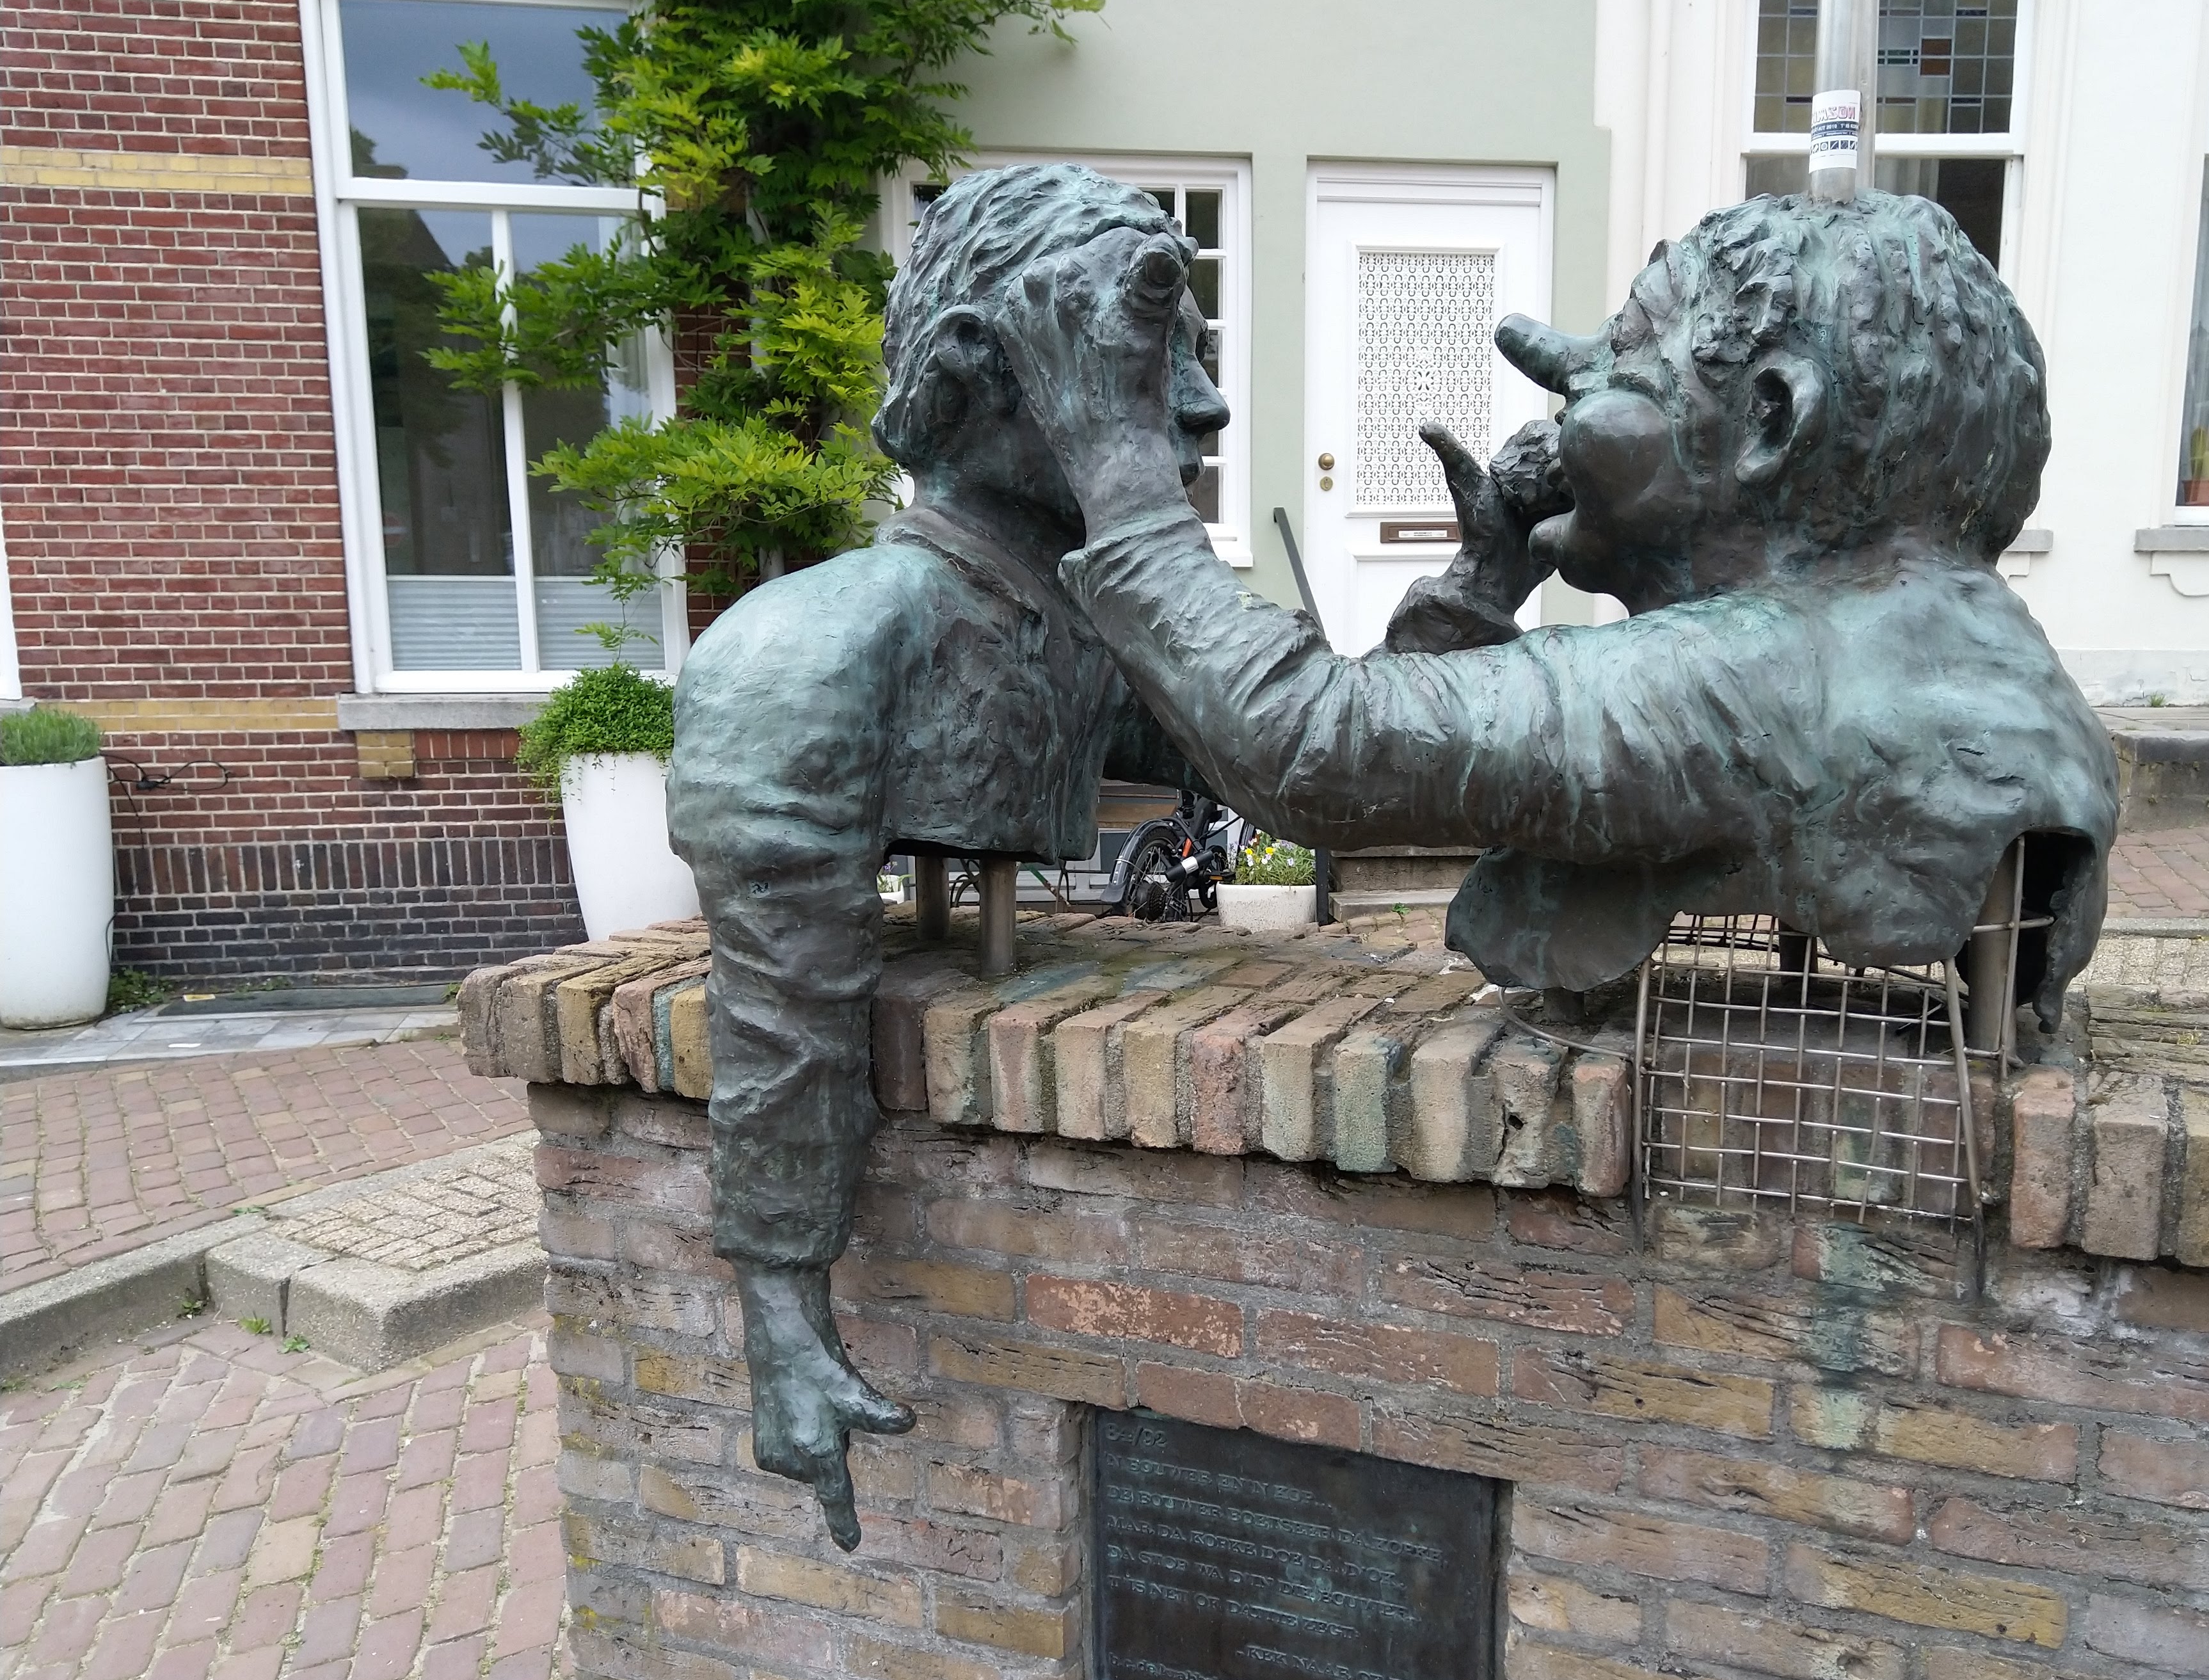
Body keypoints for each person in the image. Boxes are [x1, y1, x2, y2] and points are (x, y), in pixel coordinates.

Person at [996, 189, 2117, 1015]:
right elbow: (1423, 738)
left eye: (1629, 352)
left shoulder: (1750, 675)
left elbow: (1311, 751)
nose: (1571, 397)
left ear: (1771, 422)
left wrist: (1118, 471)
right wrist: (1487, 582)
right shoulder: (1958, 639)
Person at [662, 166, 1222, 1549]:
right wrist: (781, 1307)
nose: (1203, 405)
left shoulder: (1102, 631)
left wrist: (1478, 593)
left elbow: (1311, 759)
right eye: (1149, 355)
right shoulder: (803, 650)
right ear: (980, 369)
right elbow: (780, 1013)